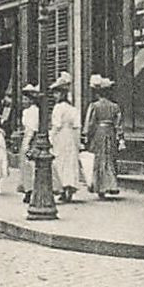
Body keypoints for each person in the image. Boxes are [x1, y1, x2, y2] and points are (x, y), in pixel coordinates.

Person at [85, 74, 124, 200]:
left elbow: (90, 123)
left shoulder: (94, 106)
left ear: (98, 93)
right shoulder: (115, 106)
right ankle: (111, 185)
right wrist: (120, 137)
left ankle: (101, 186)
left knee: (100, 158)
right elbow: (118, 124)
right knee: (110, 158)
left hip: (99, 133)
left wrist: (87, 136)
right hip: (110, 132)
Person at [49, 75, 83, 203]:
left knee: (60, 162)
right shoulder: (73, 109)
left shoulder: (58, 108)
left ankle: (62, 188)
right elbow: (77, 126)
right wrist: (77, 142)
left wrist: (50, 138)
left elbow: (56, 125)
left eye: (56, 93)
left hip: (60, 137)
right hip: (70, 137)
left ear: (62, 94)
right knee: (70, 162)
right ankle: (69, 189)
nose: (55, 96)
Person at [17, 84, 42, 203]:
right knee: (27, 166)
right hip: (27, 137)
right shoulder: (26, 111)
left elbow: (34, 128)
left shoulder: (34, 111)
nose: (23, 101)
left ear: (32, 100)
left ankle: (30, 191)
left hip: (32, 139)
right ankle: (28, 189)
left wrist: (30, 142)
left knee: (30, 165)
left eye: (26, 99)